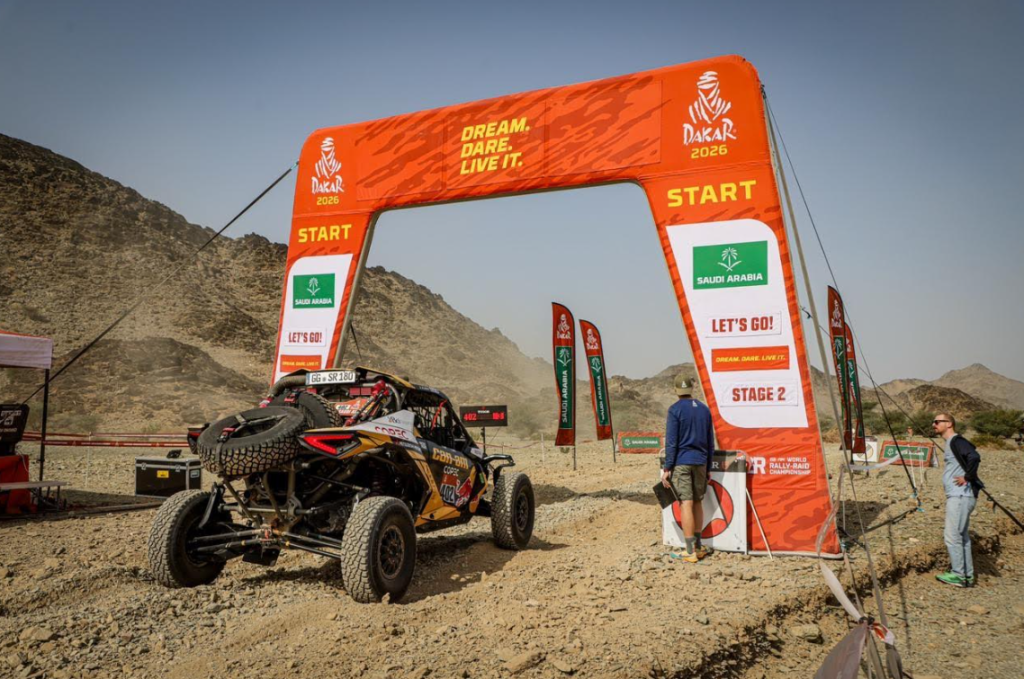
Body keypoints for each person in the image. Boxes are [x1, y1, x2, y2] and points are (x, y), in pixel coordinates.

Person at [661, 376, 715, 563]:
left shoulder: (675, 410)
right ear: (691, 388)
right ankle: (698, 548)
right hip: (700, 462)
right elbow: (710, 442)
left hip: (682, 462)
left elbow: (671, 442)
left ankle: (689, 550)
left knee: (686, 503)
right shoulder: (704, 410)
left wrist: (667, 467)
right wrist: (708, 466)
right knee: (698, 502)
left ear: (676, 390)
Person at [932, 413, 983, 588]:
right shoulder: (950, 443)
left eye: (938, 421)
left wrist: (968, 477)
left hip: (960, 495)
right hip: (961, 495)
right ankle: (967, 576)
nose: (934, 424)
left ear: (949, 423)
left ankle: (958, 574)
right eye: (934, 422)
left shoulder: (956, 441)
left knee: (952, 535)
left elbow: (974, 456)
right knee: (962, 536)